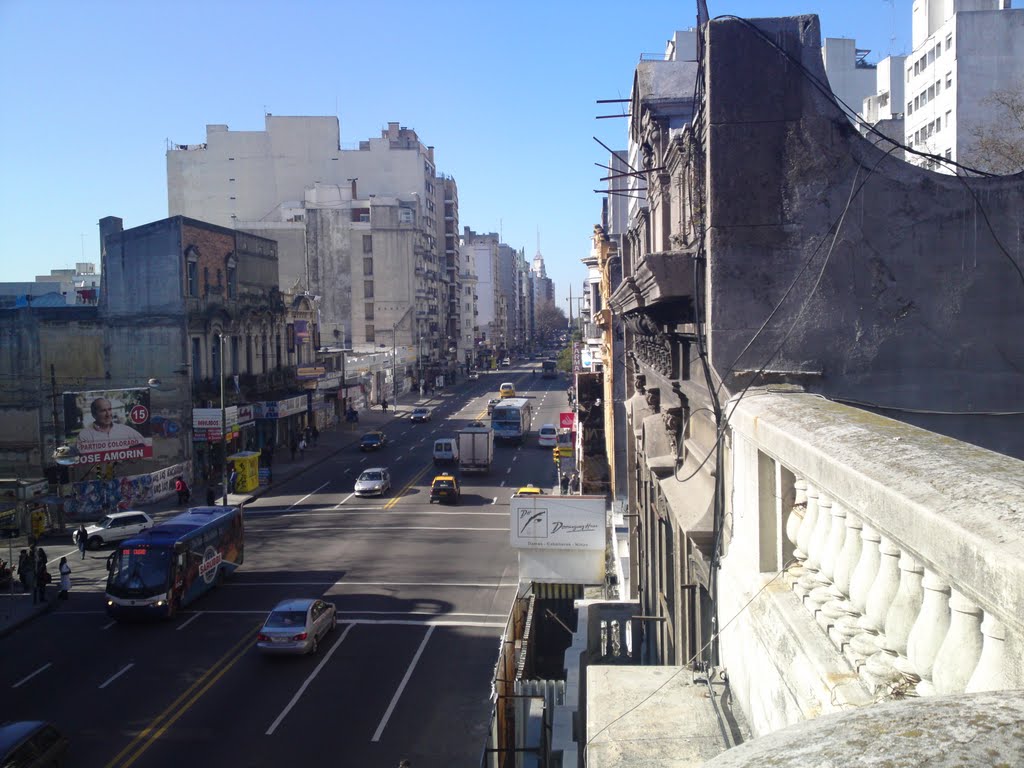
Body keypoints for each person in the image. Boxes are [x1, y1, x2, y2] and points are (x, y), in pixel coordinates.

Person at [76, 396, 145, 450]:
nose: (108, 414)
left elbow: (144, 445)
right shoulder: (84, 435)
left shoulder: (125, 430)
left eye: (109, 409)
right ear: (94, 415)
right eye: (103, 411)